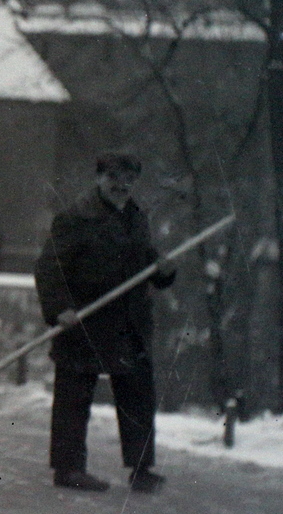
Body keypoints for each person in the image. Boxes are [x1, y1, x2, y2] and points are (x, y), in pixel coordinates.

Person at [34, 153, 176, 493]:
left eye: (128, 178)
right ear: (99, 179)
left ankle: (142, 470)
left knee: (138, 395)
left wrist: (163, 269)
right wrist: (58, 310)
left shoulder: (136, 218)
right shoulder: (75, 219)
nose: (121, 185)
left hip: (128, 322)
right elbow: (49, 269)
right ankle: (68, 469)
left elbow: (143, 260)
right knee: (74, 396)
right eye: (113, 177)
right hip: (84, 320)